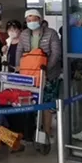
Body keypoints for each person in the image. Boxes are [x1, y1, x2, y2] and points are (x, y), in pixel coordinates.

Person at [15, 9, 62, 144]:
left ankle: (46, 132)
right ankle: (31, 131)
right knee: (31, 101)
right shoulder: (24, 34)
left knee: (46, 104)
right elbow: (19, 50)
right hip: (29, 75)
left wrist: (47, 68)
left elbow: (56, 53)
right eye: (28, 20)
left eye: (34, 19)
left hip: (47, 74)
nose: (31, 22)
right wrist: (19, 67)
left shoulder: (51, 33)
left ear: (40, 20)